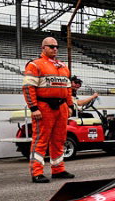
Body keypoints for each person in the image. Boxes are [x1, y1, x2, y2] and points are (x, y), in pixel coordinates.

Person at [22, 37, 75, 183]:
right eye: (51, 46)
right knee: (40, 140)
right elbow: (28, 88)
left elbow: (68, 89)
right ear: (43, 48)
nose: (55, 49)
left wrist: (70, 106)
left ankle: (58, 170)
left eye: (57, 47)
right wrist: (33, 108)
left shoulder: (63, 66)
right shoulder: (35, 65)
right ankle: (37, 172)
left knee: (59, 140)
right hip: (44, 107)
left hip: (62, 107)